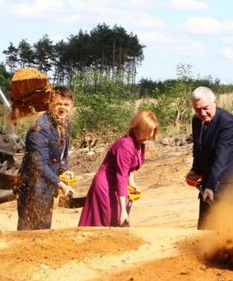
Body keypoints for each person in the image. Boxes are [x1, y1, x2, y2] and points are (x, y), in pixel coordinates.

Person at [186, 87, 233, 230]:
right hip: (209, 183)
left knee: (231, 234)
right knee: (205, 230)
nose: (202, 113)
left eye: (205, 108)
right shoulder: (197, 120)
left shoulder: (227, 124)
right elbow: (198, 147)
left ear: (215, 102)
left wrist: (210, 186)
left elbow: (221, 158)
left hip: (232, 186)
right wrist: (195, 170)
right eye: (197, 109)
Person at [79, 111, 159, 227]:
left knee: (117, 222)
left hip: (118, 186)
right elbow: (121, 176)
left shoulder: (140, 142)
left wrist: (131, 182)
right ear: (136, 129)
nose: (149, 136)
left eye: (151, 132)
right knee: (109, 222)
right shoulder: (126, 146)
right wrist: (123, 210)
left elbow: (130, 167)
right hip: (106, 186)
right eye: (146, 132)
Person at [16, 86, 75, 230]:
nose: (62, 108)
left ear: (71, 105)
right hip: (32, 188)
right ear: (50, 104)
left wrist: (65, 170)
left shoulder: (65, 124)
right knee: (29, 231)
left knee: (44, 228)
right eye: (58, 104)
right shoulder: (39, 129)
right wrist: (60, 184)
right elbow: (39, 164)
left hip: (48, 185)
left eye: (66, 104)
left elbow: (62, 155)